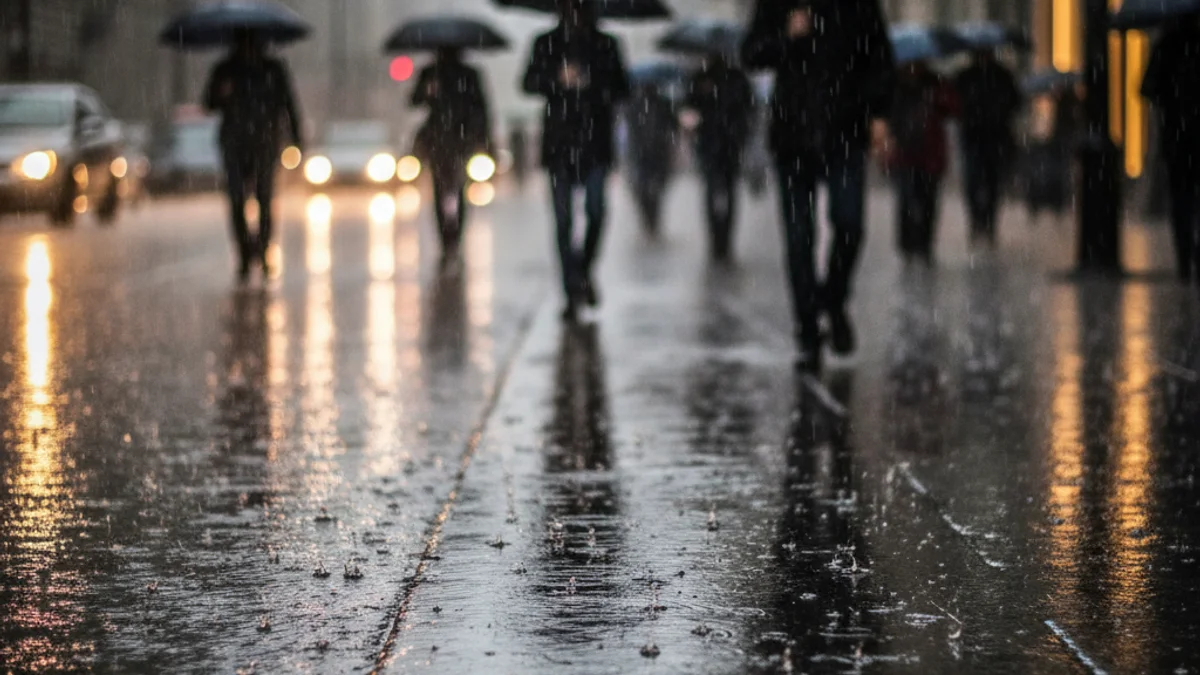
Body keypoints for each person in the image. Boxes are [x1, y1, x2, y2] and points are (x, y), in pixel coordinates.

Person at [742, 0, 895, 372]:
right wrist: (785, 37)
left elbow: (879, 56)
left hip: (845, 128)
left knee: (850, 224)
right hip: (792, 134)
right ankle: (807, 331)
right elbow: (751, 54)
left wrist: (878, 112)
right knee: (798, 239)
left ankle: (833, 298)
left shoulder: (858, 7)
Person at [523, 0, 630, 321]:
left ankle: (582, 271)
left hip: (595, 143)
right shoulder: (545, 44)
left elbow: (623, 88)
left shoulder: (607, 45)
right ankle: (571, 289)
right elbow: (529, 83)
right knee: (563, 221)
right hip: (558, 145)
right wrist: (558, 79)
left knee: (596, 212)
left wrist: (592, 81)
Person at [204, 30, 303, 281]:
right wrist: (221, 93)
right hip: (235, 143)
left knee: (264, 198)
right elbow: (208, 103)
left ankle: (263, 249)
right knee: (238, 199)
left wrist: (296, 138)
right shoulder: (225, 70)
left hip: (265, 143)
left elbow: (288, 104)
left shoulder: (272, 69)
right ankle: (245, 254)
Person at [412, 47, 492, 262]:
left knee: (458, 186)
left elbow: (481, 108)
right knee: (441, 188)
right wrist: (427, 91)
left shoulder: (469, 75)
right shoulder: (431, 74)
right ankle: (447, 240)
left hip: (460, 138)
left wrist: (483, 139)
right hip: (439, 139)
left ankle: (454, 238)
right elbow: (414, 100)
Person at [1142, 20, 1200, 285]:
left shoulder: (1168, 43)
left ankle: (1185, 257)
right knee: (1187, 196)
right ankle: (1191, 254)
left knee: (1182, 198)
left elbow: (1147, 88)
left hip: (1177, 136)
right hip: (1186, 136)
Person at [885, 60, 958, 266]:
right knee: (906, 200)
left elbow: (951, 109)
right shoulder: (896, 85)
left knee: (928, 201)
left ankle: (924, 244)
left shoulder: (936, 84)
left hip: (929, 154)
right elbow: (888, 115)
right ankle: (908, 244)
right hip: (904, 153)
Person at [685, 54, 755, 261]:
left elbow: (747, 107)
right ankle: (716, 238)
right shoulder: (700, 78)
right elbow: (689, 106)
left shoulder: (735, 78)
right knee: (711, 189)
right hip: (708, 143)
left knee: (728, 189)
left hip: (730, 144)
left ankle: (725, 238)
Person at [954, 49, 1022, 246]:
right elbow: (956, 104)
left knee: (991, 182)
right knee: (973, 181)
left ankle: (988, 223)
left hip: (995, 137)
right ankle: (977, 221)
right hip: (974, 136)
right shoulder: (966, 77)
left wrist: (999, 112)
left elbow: (1015, 102)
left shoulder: (1001, 76)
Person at [624, 80, 678, 235]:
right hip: (653, 152)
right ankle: (651, 217)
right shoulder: (662, 103)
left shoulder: (635, 103)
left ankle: (650, 217)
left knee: (646, 187)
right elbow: (672, 126)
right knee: (650, 187)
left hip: (649, 152)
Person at [509, 121, 528, 189]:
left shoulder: (516, 137)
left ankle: (519, 182)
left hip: (518, 157)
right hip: (518, 157)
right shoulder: (519, 138)